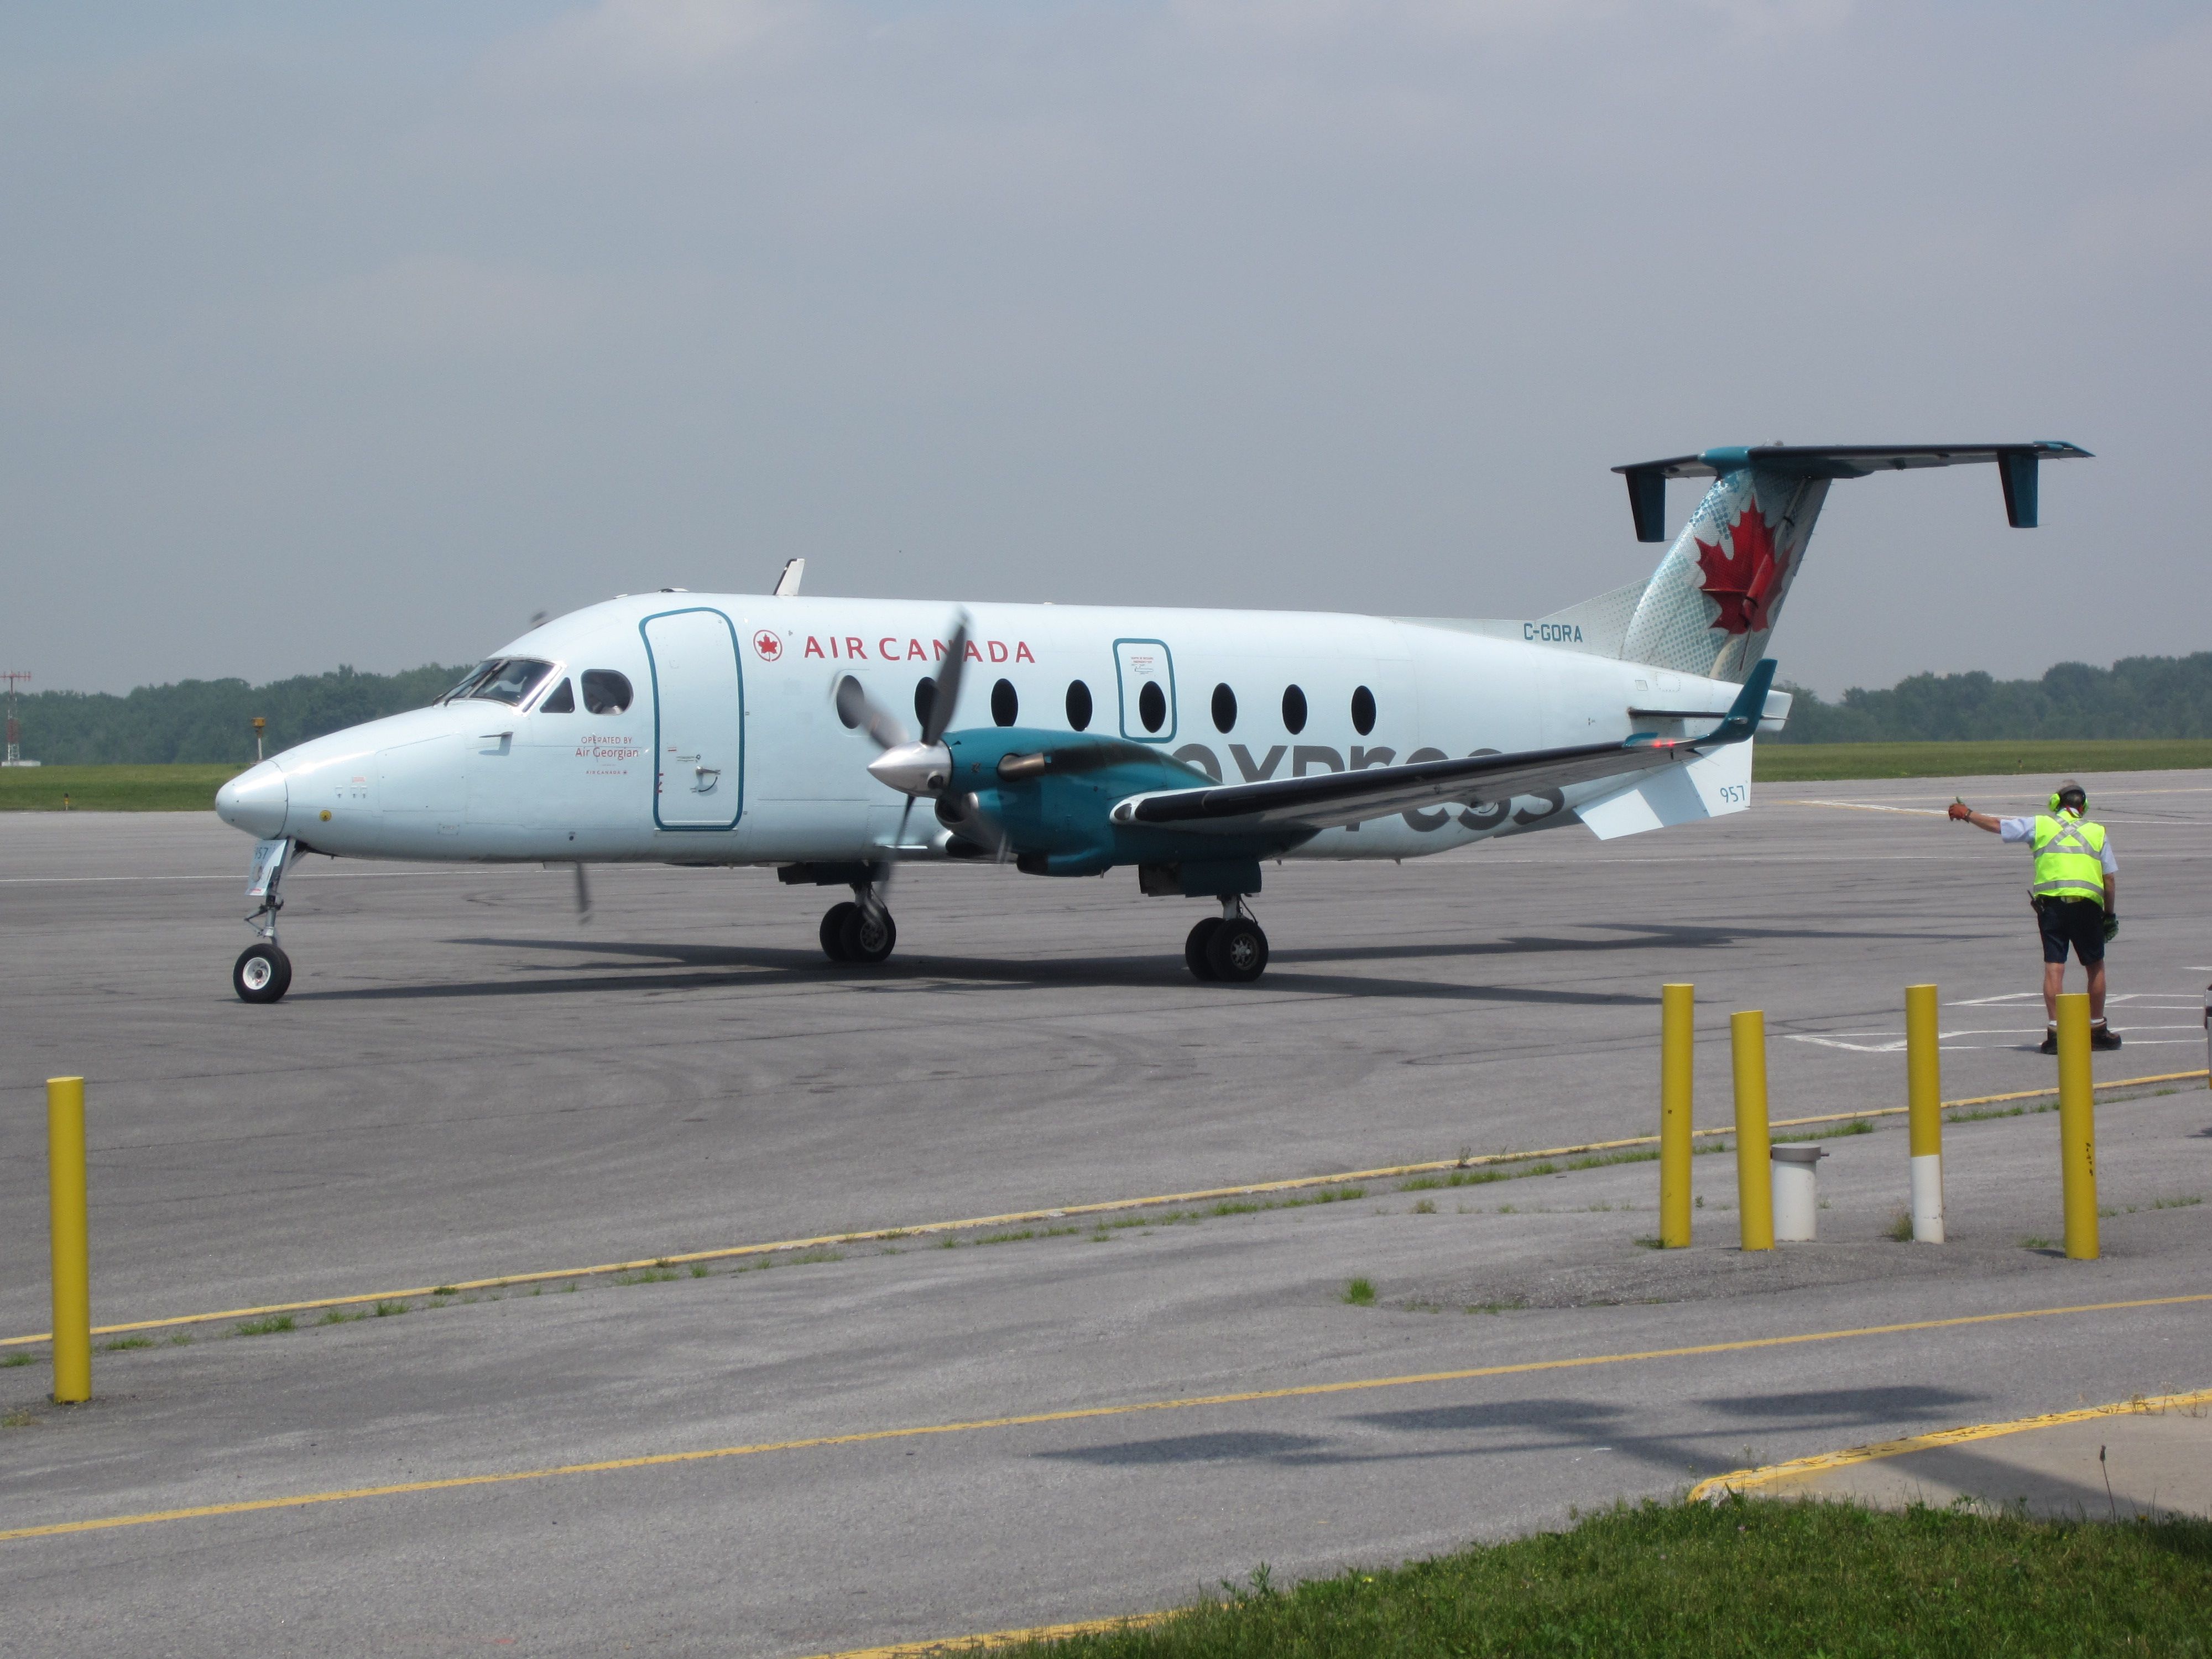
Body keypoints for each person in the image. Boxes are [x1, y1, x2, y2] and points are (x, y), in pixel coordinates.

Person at [1949, 779, 2120, 1053]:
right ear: (2083, 806)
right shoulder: (2097, 832)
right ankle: (2097, 1028)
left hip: (2051, 906)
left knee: (2055, 966)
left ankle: (2056, 1032)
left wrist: (1968, 814)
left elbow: (1997, 825)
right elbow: (2108, 879)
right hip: (2087, 906)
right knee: (2095, 965)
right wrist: (2109, 914)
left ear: (2055, 803)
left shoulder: (2040, 824)